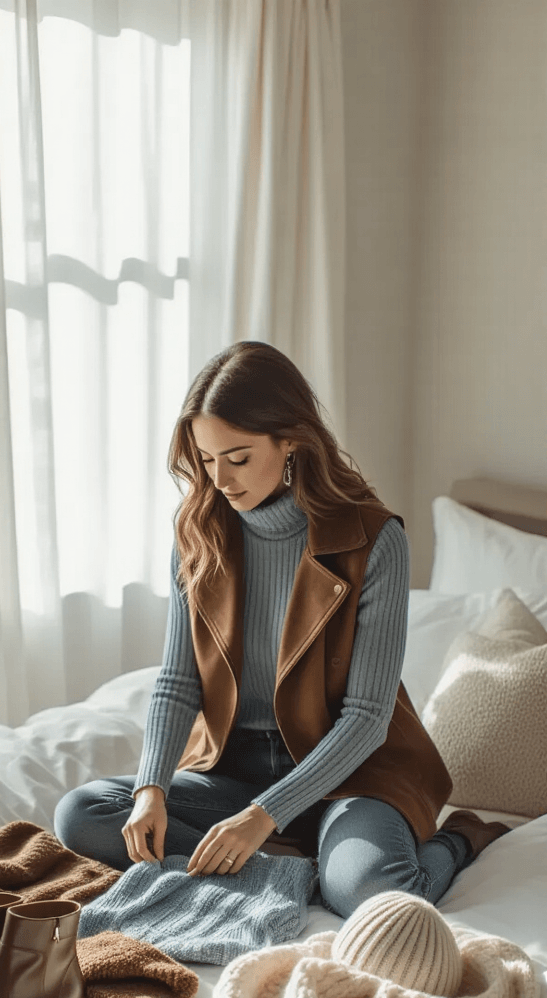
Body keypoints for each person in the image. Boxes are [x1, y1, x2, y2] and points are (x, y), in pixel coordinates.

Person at [54, 341, 509, 918]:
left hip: (350, 774)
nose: (219, 480)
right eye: (207, 458)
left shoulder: (374, 540)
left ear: (290, 439)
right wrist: (151, 788)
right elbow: (177, 682)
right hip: (233, 768)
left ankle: (459, 838)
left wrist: (261, 818)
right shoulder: (200, 531)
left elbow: (367, 719)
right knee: (84, 814)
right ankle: (290, 873)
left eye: (238, 458)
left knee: (373, 893)